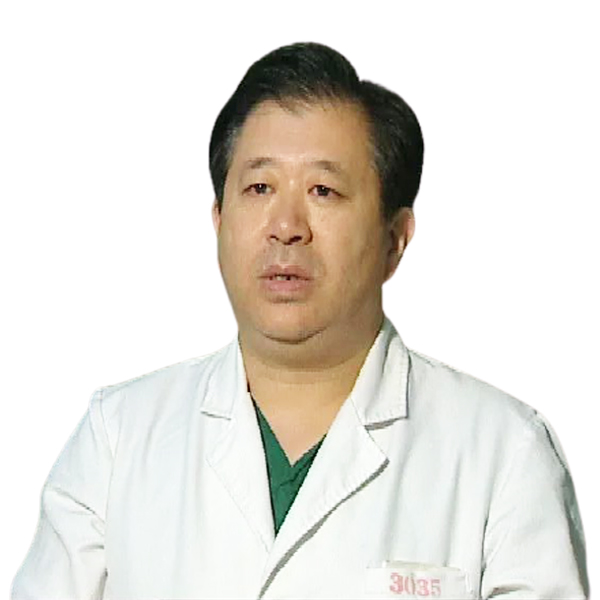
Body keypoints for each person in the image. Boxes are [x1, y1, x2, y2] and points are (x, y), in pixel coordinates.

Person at [11, 42, 589, 600]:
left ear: (394, 238)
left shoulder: (503, 454)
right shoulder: (118, 438)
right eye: (259, 187)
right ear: (219, 219)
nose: (286, 226)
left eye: (324, 190)